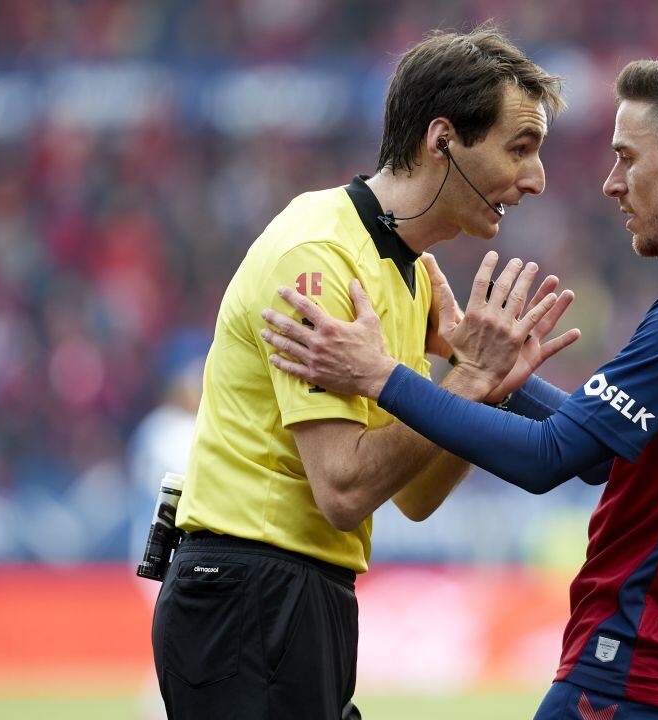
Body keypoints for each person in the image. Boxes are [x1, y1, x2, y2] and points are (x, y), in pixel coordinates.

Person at [262, 56, 658, 720]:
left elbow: (548, 458)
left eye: (626, 158)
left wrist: (380, 376)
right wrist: (489, 373)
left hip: (635, 676)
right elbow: (609, 458)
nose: (611, 184)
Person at [150, 24, 580, 720]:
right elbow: (344, 489)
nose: (534, 179)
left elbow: (410, 496)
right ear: (442, 139)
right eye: (520, 148)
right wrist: (465, 383)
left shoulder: (403, 273)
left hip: (297, 596)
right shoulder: (321, 255)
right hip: (248, 596)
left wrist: (485, 390)